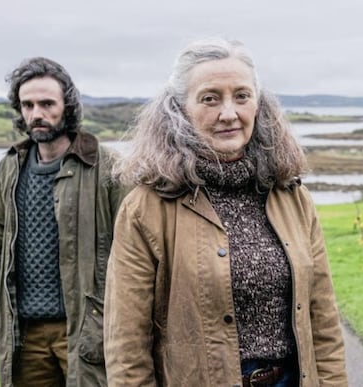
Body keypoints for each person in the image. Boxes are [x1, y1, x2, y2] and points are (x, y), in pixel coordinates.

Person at [103, 37, 348, 386]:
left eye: (242, 96)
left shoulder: (293, 197)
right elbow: (127, 344)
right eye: (210, 98)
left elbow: (322, 318)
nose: (229, 113)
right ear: (179, 108)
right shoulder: (146, 208)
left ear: (258, 105)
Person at [0, 57, 128, 386]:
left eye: (46, 103)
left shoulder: (107, 166)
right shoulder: (10, 168)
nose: (36, 113)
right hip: (23, 332)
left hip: (88, 328)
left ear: (67, 106)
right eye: (27, 104)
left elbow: (135, 250)